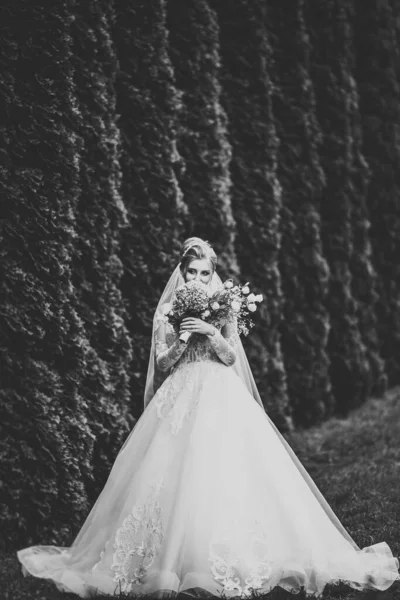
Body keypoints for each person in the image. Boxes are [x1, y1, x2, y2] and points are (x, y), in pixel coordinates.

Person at [17, 237, 400, 598]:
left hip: (220, 394)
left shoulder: (223, 306)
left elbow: (232, 357)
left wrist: (210, 331)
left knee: (228, 470)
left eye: (204, 272)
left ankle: (236, 554)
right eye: (192, 272)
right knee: (172, 474)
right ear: (181, 273)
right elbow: (163, 365)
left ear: (211, 273)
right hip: (181, 396)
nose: (198, 279)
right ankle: (168, 560)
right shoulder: (166, 312)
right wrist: (185, 337)